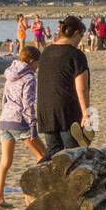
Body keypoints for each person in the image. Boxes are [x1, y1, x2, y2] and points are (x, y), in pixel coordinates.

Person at [0, 45, 48, 207]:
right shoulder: (29, 78)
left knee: (5, 162)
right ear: (31, 61)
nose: (38, 67)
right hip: (20, 122)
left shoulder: (10, 74)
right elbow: (28, 104)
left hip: (5, 120)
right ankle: (30, 195)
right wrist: (32, 126)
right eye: (37, 63)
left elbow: (4, 99)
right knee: (44, 156)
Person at [34, 16, 90, 159]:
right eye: (81, 36)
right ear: (76, 33)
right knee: (74, 153)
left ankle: (38, 176)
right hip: (67, 109)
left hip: (45, 108)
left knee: (54, 151)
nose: (80, 40)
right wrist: (86, 113)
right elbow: (81, 88)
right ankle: (35, 176)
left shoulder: (46, 52)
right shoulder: (76, 55)